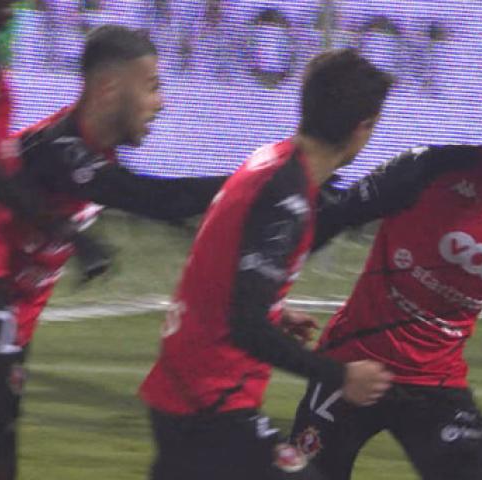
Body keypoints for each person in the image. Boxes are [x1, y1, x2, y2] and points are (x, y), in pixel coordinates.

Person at [290, 68, 482, 480]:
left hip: (434, 383)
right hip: (353, 363)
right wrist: (265, 294)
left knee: (476, 469)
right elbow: (332, 219)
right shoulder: (430, 168)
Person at [0, 24, 228, 480]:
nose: (160, 103)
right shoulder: (57, 149)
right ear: (110, 88)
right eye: (151, 86)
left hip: (10, 327)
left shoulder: (96, 158)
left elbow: (168, 215)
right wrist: (260, 179)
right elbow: (159, 200)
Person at [139, 48, 395, 480]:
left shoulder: (269, 162)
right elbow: (246, 325)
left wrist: (272, 307)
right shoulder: (286, 200)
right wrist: (339, 375)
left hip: (184, 389)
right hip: (209, 403)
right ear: (364, 127)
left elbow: (222, 266)